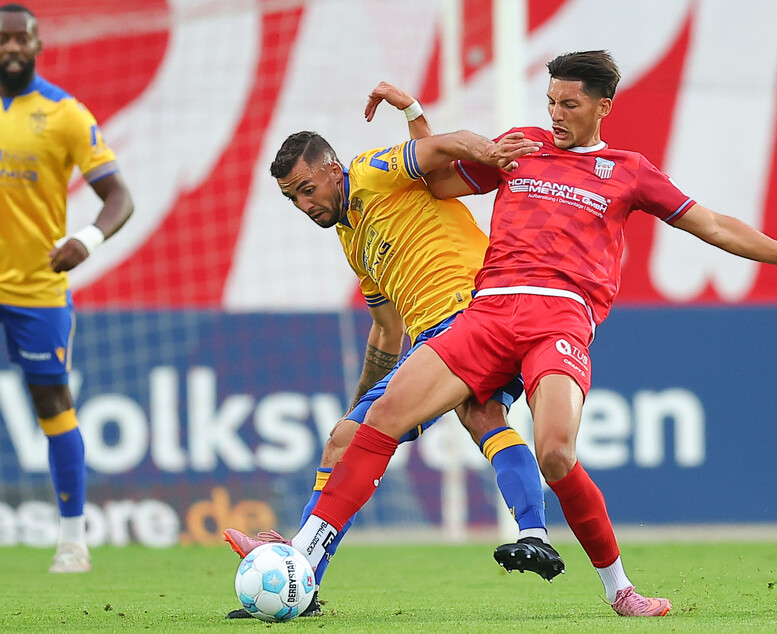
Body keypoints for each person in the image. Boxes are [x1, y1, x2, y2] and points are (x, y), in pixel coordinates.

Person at [231, 50, 777, 618]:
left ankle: (620, 589)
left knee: (556, 451)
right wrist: (457, 141)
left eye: (570, 104)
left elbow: (715, 226)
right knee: (378, 420)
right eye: (551, 101)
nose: (556, 114)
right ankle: (304, 567)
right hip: (489, 310)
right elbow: (436, 187)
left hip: (559, 317)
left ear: (602, 107)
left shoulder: (628, 171)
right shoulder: (525, 146)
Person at [223, 83, 561, 618]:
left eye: (308, 189)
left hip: (475, 313)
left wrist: (489, 151)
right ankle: (535, 532)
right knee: (466, 417)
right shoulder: (352, 238)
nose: (304, 205)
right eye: (293, 199)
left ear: (333, 168)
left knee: (365, 439)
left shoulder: (373, 169)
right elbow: (385, 330)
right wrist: (363, 401)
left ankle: (299, 570)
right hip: (437, 337)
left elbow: (443, 145)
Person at [0, 4, 133, 573]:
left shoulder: (65, 114)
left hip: (36, 290)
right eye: (1, 40)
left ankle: (73, 541)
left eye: (19, 39)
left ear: (37, 44)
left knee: (52, 405)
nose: (9, 48)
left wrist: (87, 239)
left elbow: (119, 197)